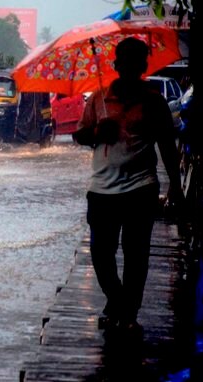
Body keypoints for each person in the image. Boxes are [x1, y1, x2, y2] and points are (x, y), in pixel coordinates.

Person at [72, 37, 184, 336]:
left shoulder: (154, 103)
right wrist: (97, 131)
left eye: (138, 62)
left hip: (141, 188)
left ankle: (128, 311)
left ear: (143, 66)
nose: (133, 67)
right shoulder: (98, 99)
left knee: (137, 254)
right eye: (127, 62)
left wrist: (176, 184)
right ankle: (118, 300)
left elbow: (167, 146)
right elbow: (79, 135)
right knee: (100, 253)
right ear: (117, 65)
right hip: (102, 190)